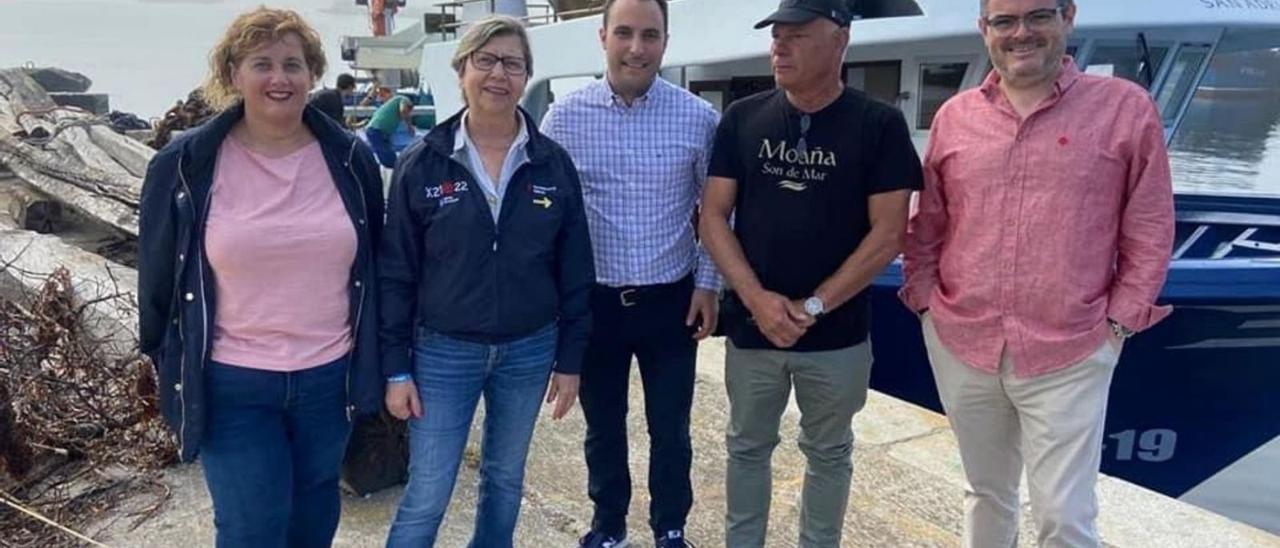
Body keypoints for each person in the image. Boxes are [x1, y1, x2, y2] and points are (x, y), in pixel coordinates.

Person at [899, 1, 1175, 546]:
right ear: (984, 31)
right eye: (1004, 21)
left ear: (1067, 16)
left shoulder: (1125, 108)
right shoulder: (955, 116)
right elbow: (928, 222)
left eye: (1037, 16)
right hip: (962, 339)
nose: (1021, 32)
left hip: (1070, 347)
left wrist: (1118, 322)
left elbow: (1149, 224)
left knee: (1065, 515)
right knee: (985, 492)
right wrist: (926, 300)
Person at [136, 7, 385, 547]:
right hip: (233, 384)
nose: (279, 78)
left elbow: (376, 264)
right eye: (262, 63)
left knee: (312, 518)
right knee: (253, 529)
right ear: (233, 75)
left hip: (329, 379)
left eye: (293, 64)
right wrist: (164, 359)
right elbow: (155, 281)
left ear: (311, 74)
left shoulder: (349, 158)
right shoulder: (185, 164)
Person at [698, 0, 923, 545]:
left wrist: (813, 306)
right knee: (747, 447)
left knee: (829, 452)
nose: (779, 46)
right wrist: (755, 300)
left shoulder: (880, 125)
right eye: (777, 35)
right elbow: (711, 215)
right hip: (754, 330)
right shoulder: (742, 118)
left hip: (837, 336)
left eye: (797, 35)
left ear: (840, 39)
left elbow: (889, 233)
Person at [380, 15, 595, 548]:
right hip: (442, 352)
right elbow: (395, 273)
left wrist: (570, 360)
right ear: (462, 69)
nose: (499, 74)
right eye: (487, 60)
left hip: (529, 349)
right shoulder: (423, 163)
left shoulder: (551, 163)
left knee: (504, 480)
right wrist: (395, 368)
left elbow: (575, 270)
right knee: (429, 489)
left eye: (513, 64)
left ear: (526, 77)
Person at [540, 1, 718, 546]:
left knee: (671, 430)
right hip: (595, 304)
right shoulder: (563, 119)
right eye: (624, 33)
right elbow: (550, 222)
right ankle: (608, 524)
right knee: (603, 428)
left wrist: (708, 282)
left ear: (666, 41)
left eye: (649, 35)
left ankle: (670, 526)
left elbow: (715, 212)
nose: (636, 47)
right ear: (602, 37)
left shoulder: (699, 118)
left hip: (672, 300)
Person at [365, 86, 414, 168]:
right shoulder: (404, 99)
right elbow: (403, 110)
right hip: (377, 132)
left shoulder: (387, 106)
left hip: (376, 132)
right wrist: (409, 126)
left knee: (388, 158)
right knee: (392, 162)